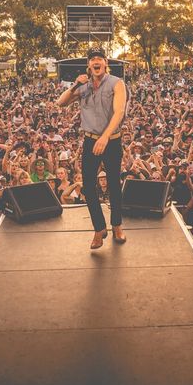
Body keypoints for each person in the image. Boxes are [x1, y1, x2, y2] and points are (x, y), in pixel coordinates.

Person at [57, 48, 127, 249]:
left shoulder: (117, 83)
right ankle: (99, 229)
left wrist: (105, 137)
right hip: (90, 140)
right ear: (89, 65)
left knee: (114, 184)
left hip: (111, 140)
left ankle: (117, 226)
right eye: (92, 59)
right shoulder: (83, 86)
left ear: (105, 63)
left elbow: (119, 111)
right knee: (88, 186)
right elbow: (60, 103)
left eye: (99, 59)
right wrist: (75, 86)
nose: (96, 62)